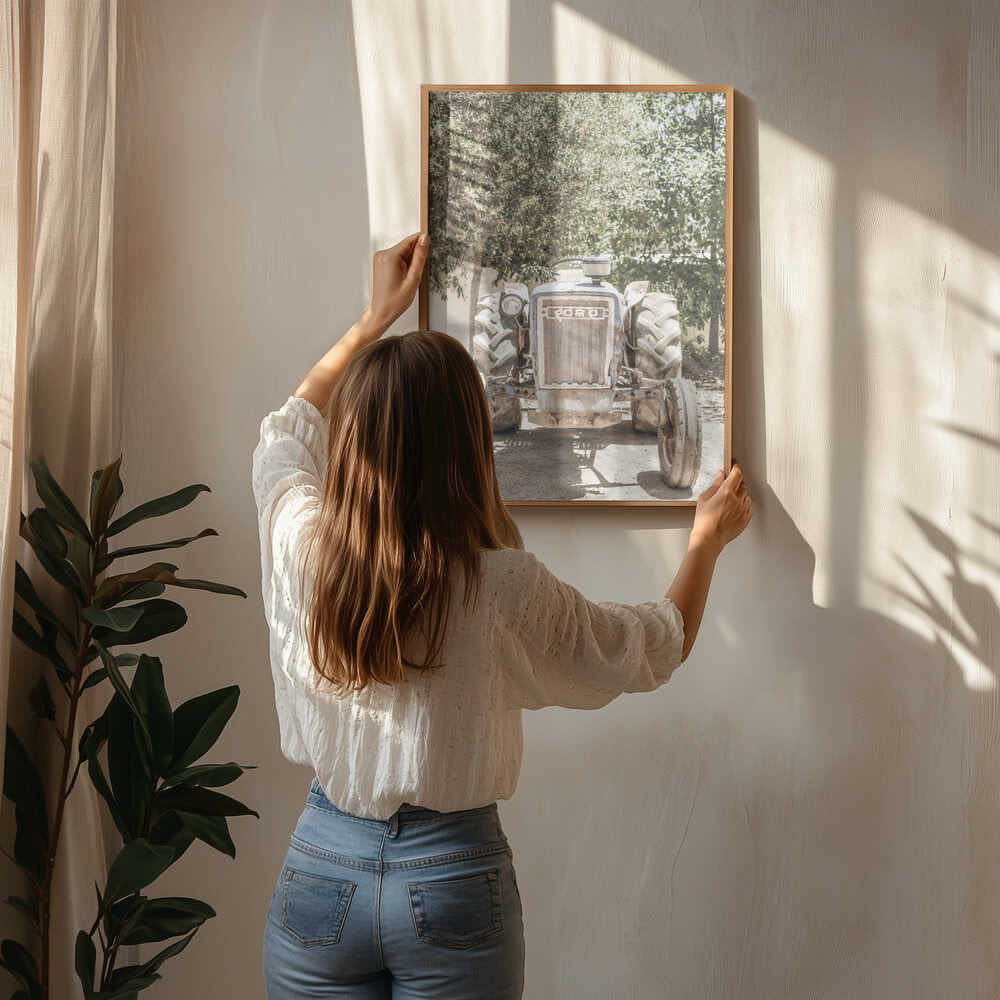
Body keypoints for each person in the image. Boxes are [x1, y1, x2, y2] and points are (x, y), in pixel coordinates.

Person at [252, 232, 752, 999]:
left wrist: (373, 320)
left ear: (352, 441)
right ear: (470, 442)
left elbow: (284, 435)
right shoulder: (502, 586)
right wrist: (705, 544)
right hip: (450, 877)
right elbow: (652, 647)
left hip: (323, 867)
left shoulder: (303, 544)